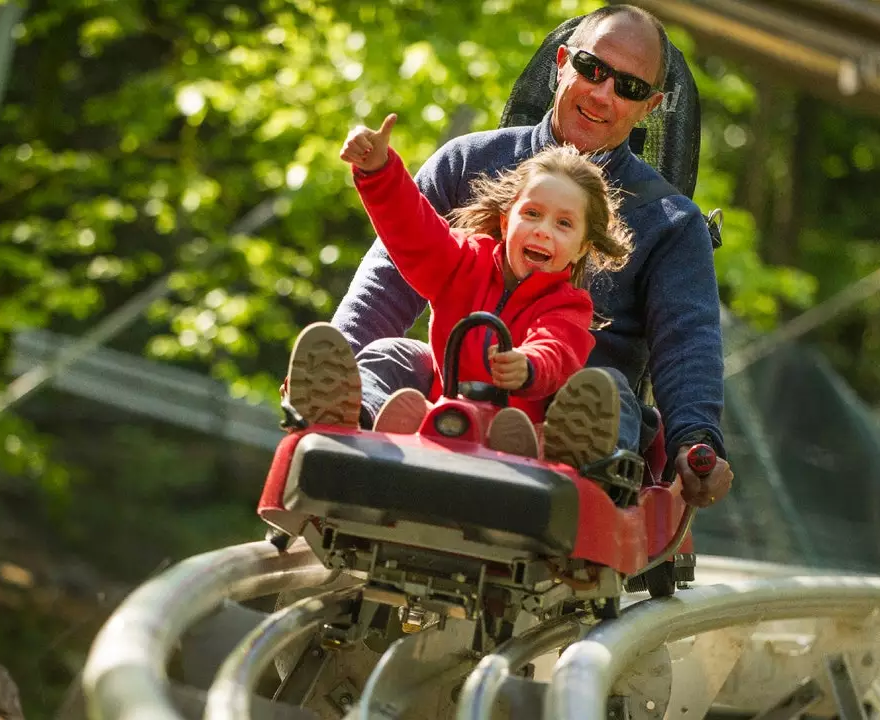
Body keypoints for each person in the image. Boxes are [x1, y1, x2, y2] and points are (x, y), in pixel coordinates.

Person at [329, 4, 734, 507]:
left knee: (606, 390)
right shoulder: (468, 162)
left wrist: (697, 443)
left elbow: (687, 343)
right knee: (395, 357)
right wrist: (338, 357)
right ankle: (338, 410)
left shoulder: (671, 223)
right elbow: (394, 269)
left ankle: (565, 462)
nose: (603, 93)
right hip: (450, 395)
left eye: (628, 88)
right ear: (562, 62)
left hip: (571, 416)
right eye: (592, 69)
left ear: (648, 107)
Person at [285, 113, 632, 463]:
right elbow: (415, 232)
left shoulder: (568, 306)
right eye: (531, 214)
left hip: (521, 428)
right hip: (441, 411)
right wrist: (379, 170)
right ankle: (354, 414)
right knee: (394, 352)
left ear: (583, 246)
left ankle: (563, 455)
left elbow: (556, 346)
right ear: (505, 219)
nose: (543, 230)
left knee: (600, 384)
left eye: (563, 223)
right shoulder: (466, 259)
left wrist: (528, 365)